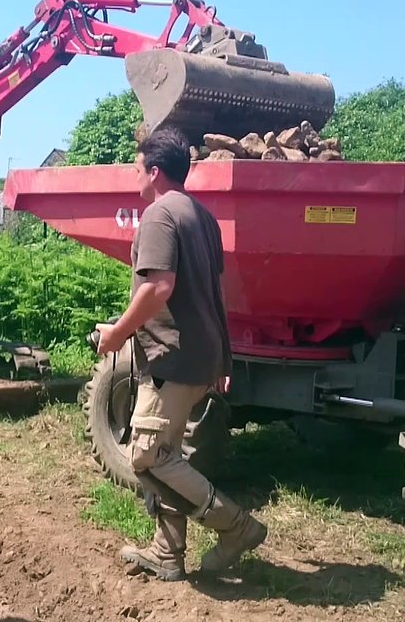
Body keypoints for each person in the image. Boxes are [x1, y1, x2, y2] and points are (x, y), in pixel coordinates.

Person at [93, 127, 268, 581]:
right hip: (199, 355)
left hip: (173, 359)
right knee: (167, 451)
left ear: (155, 172)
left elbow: (158, 287)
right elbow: (214, 293)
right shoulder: (202, 217)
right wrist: (223, 357)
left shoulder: (159, 215)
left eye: (136, 167)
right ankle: (167, 552)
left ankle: (237, 527)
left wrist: (116, 334)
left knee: (147, 456)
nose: (134, 175)